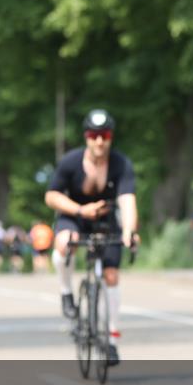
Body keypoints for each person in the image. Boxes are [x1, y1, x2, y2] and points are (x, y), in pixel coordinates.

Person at [46, 108, 140, 366]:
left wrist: (130, 231)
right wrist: (79, 210)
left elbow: (127, 201)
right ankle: (66, 293)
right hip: (74, 215)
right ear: (86, 137)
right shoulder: (71, 161)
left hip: (105, 220)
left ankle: (111, 339)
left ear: (111, 137)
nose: (99, 141)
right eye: (94, 135)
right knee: (65, 242)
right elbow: (52, 196)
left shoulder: (120, 164)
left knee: (111, 275)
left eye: (105, 135)